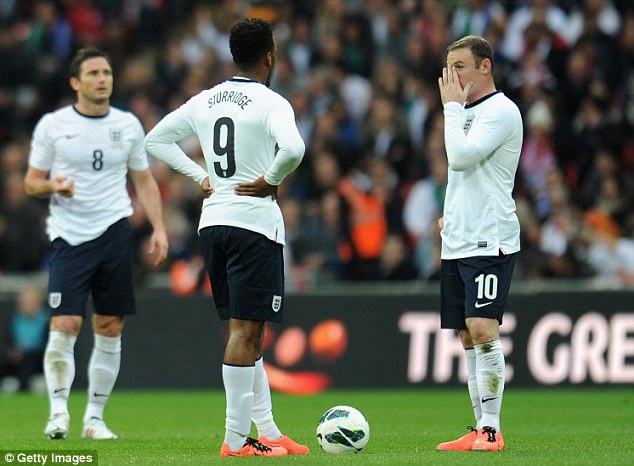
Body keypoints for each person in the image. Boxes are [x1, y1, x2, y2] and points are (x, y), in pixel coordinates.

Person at [144, 18, 308, 458]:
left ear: (233, 56)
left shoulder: (206, 99)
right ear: (270, 56)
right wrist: (272, 180)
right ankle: (237, 441)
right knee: (245, 331)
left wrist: (201, 177)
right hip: (253, 223)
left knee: (247, 332)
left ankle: (269, 433)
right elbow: (294, 150)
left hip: (214, 222)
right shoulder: (272, 102)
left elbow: (155, 140)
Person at [24, 47, 169, 440]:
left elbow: (143, 180)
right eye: (93, 73)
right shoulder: (53, 125)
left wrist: (158, 227)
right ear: (76, 82)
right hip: (69, 236)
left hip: (114, 234)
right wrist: (53, 184)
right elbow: (31, 181)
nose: (103, 78)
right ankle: (57, 414)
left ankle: (94, 419)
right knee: (65, 322)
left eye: (107, 72)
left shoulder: (128, 124)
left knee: (108, 325)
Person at [435, 35, 523, 452]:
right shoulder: (464, 113)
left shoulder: (502, 111)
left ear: (485, 67)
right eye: (449, 68)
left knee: (482, 327)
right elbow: (463, 177)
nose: (453, 76)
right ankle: (478, 426)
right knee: (466, 336)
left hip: (490, 238)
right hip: (458, 239)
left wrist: (451, 108)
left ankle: (491, 429)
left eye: (461, 67)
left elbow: (461, 158)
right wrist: (451, 213)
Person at [0, 286, 49, 393]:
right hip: (16, 357)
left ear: (39, 303)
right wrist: (11, 351)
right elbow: (7, 340)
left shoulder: (47, 319)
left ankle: (26, 385)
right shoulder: (13, 319)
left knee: (28, 358)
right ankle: (10, 381)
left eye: (32, 302)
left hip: (39, 357)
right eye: (25, 302)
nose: (29, 305)